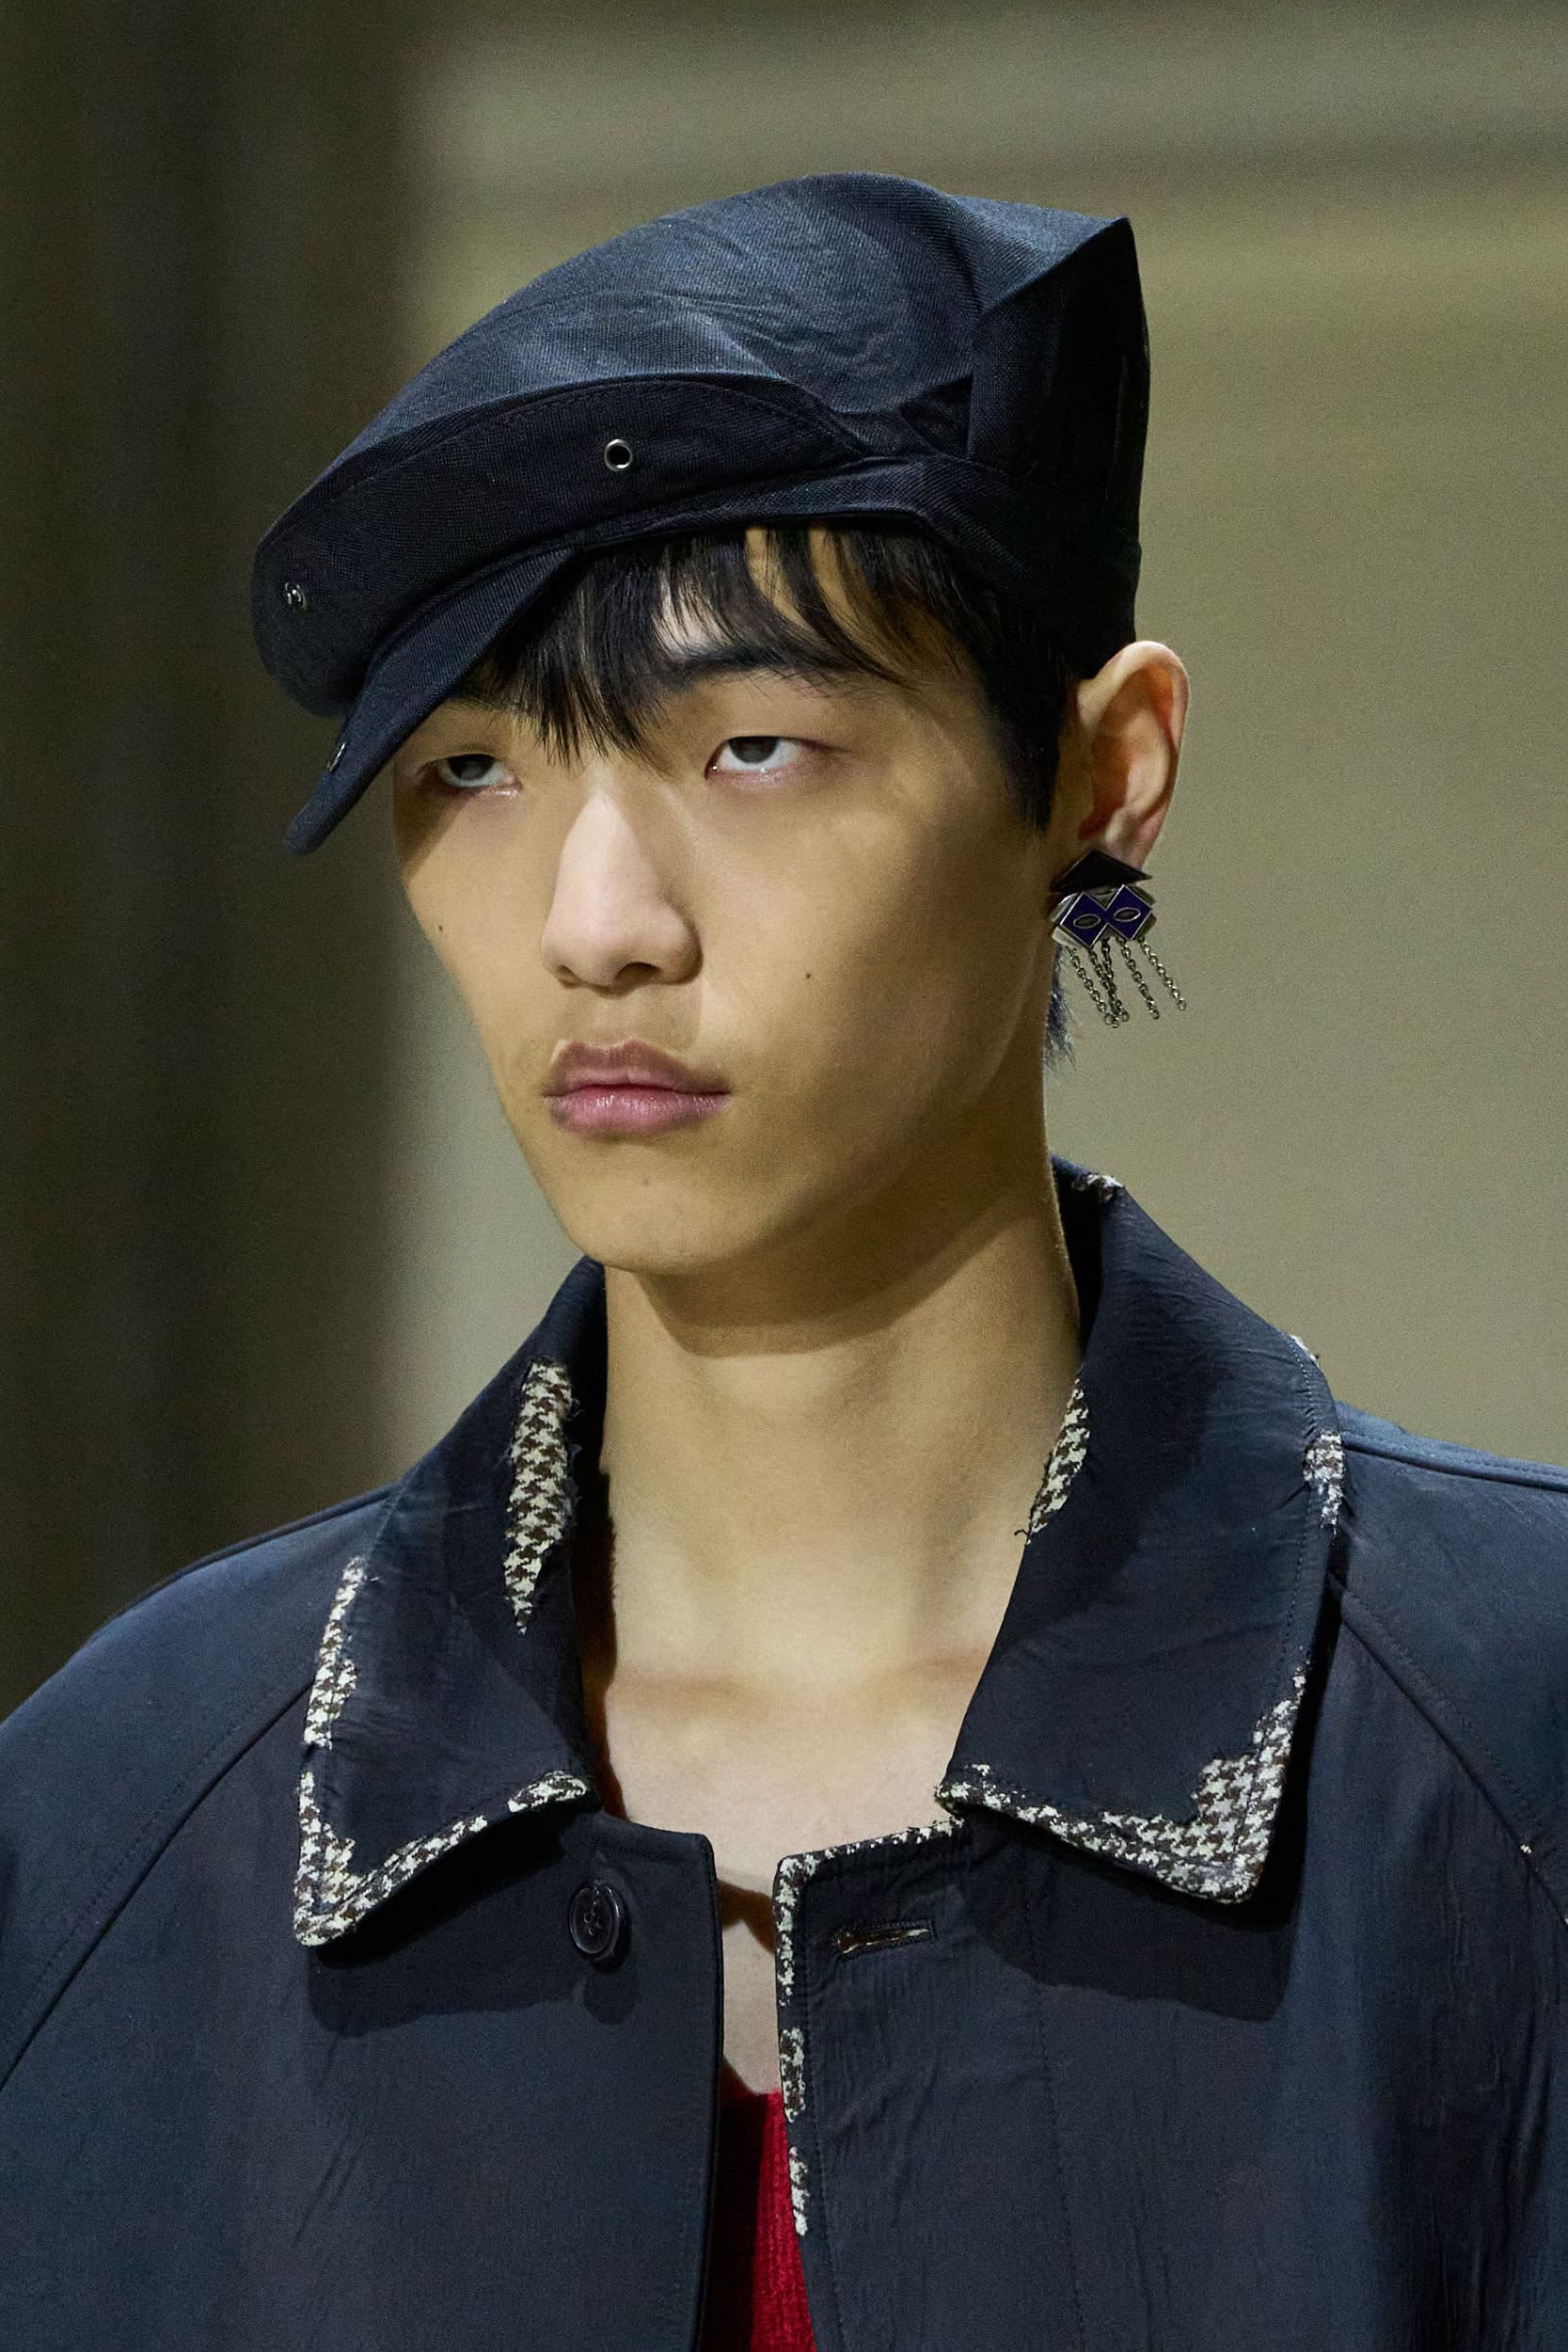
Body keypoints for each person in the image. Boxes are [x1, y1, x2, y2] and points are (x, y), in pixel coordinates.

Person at [3, 172, 1566, 2352]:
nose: (596, 922)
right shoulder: (133, 1808)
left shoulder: (1506, 1739)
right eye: (472, 765)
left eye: (754, 746)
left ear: (1106, 771)